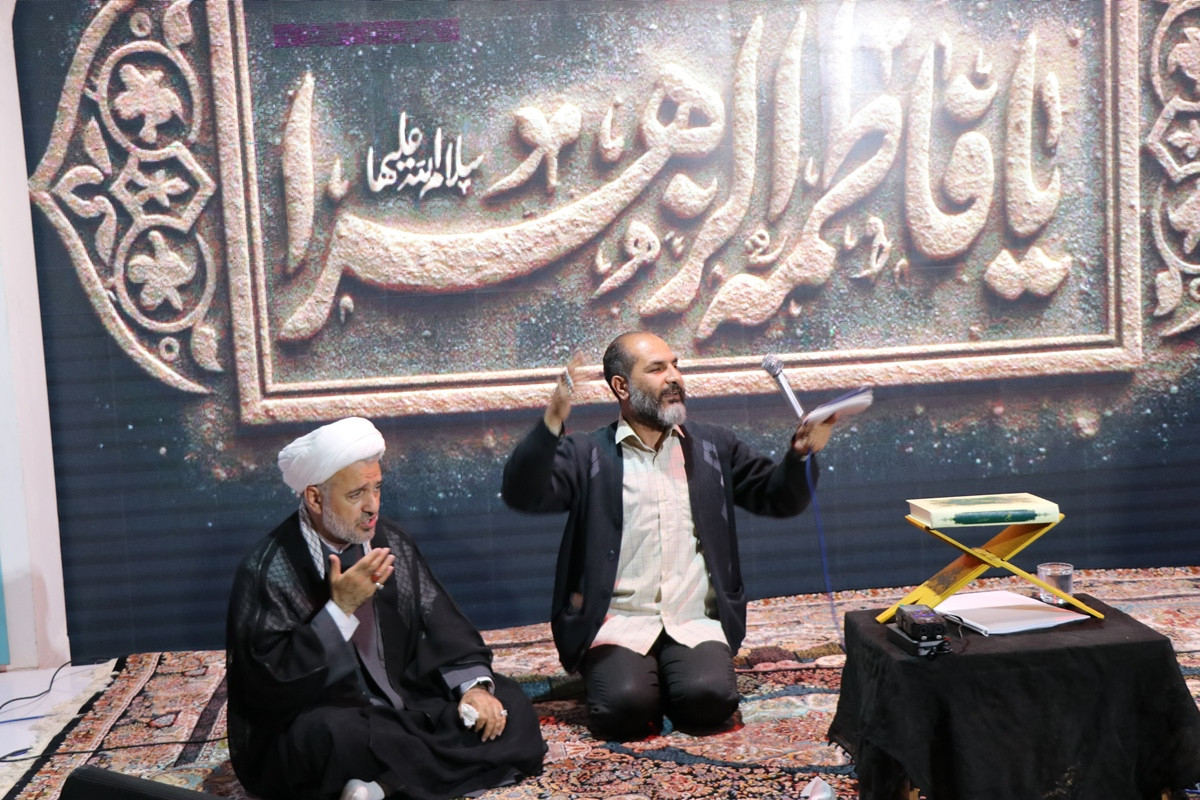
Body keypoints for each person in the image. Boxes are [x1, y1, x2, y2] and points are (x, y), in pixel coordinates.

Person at [501, 331, 838, 741]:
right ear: (621, 386)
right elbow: (524, 493)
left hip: (692, 617)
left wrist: (799, 456)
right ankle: (630, 677)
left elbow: (776, 498)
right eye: (657, 369)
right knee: (624, 711)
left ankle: (676, 675)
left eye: (676, 365)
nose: (674, 377)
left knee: (709, 701)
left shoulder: (713, 445)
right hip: (618, 621)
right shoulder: (588, 453)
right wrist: (550, 424)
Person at [226, 417, 546, 800]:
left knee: (510, 706)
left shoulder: (390, 541)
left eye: (376, 488)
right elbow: (268, 685)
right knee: (333, 738)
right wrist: (339, 611)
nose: (372, 506)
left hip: (405, 703)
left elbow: (440, 623)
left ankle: (382, 785)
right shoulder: (270, 569)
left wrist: (474, 689)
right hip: (332, 716)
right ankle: (420, 772)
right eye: (356, 494)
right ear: (314, 498)